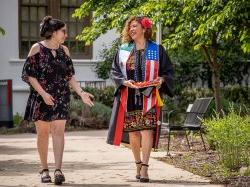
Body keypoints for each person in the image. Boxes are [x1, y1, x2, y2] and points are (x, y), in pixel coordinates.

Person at [21, 16, 94, 185]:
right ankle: (44, 169)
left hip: (61, 96)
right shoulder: (36, 48)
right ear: (54, 33)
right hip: (41, 97)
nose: (66, 35)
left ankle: (58, 170)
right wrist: (43, 94)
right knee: (43, 133)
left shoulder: (64, 51)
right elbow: (29, 75)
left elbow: (70, 76)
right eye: (63, 31)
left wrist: (81, 93)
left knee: (59, 132)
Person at [107, 16, 174, 183]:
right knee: (134, 133)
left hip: (149, 96)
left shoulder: (157, 49)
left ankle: (145, 168)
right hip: (129, 96)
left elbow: (168, 71)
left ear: (144, 29)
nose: (131, 29)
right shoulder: (123, 50)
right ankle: (137, 163)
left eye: (135, 26)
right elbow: (115, 71)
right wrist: (123, 82)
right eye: (129, 27)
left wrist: (162, 80)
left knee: (146, 131)